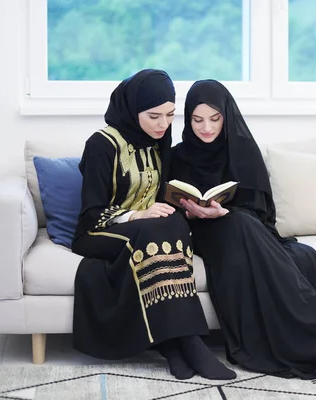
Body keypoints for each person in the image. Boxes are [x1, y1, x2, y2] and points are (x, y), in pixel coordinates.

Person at [168, 79, 316, 380]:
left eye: (214, 118)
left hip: (242, 229)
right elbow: (169, 206)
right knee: (240, 224)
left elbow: (261, 210)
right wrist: (193, 212)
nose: (206, 128)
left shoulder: (243, 149)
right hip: (202, 235)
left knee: (283, 244)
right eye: (197, 120)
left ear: (227, 115)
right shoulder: (177, 155)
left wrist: (224, 211)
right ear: (188, 118)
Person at [71, 69, 236, 381]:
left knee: (172, 223)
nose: (163, 124)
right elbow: (91, 213)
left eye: (170, 115)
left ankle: (171, 343)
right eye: (154, 116)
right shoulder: (101, 144)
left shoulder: (158, 141)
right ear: (133, 111)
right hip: (98, 231)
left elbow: (159, 197)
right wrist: (135, 215)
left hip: (146, 230)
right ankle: (186, 342)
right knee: (150, 231)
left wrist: (190, 207)